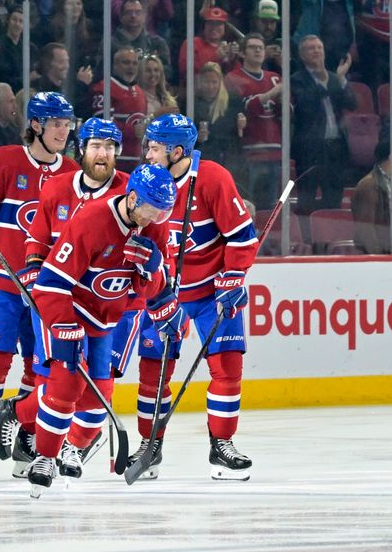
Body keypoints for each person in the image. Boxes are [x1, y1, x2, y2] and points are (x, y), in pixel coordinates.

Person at [0, 163, 179, 498]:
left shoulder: (153, 225)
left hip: (104, 320)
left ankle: (8, 411)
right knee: (65, 388)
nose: (154, 219)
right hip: (67, 310)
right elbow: (50, 284)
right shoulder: (92, 221)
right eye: (150, 210)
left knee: (95, 403)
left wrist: (154, 271)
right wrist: (65, 326)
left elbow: (148, 289)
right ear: (131, 198)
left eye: (161, 212)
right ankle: (45, 456)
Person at [0, 92, 79, 482]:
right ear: (36, 125)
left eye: (67, 123)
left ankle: (25, 436)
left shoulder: (72, 172)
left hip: (47, 293)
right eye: (56, 123)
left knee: (40, 369)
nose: (63, 130)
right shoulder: (3, 160)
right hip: (1, 284)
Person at [128, 113, 259, 482]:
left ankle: (222, 446)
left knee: (227, 368)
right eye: (148, 147)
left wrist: (233, 277)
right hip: (162, 294)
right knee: (153, 371)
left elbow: (242, 236)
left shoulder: (213, 179)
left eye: (155, 148)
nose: (149, 154)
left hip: (210, 292)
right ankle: (149, 446)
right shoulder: (143, 181)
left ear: (179, 151)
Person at [17, 117, 129, 480]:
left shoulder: (129, 191)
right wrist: (35, 269)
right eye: (96, 146)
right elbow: (37, 239)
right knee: (59, 379)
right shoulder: (56, 187)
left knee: (99, 385)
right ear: (81, 149)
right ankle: (37, 440)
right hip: (61, 298)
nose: (103, 154)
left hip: (108, 303)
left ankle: (67, 443)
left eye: (110, 148)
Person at [291, 34, 356, 214]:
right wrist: (327, 81)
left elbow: (352, 103)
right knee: (306, 200)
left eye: (319, 47)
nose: (316, 51)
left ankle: (330, 239)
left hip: (336, 148)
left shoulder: (336, 78)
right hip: (310, 149)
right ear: (302, 55)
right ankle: (306, 241)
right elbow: (306, 103)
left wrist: (341, 79)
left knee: (334, 199)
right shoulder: (296, 79)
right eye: (311, 48)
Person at [224, 32, 283, 210]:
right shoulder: (233, 78)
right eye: (252, 47)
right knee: (247, 208)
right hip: (248, 154)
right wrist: (273, 93)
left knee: (270, 210)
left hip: (275, 152)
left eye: (261, 47)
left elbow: (287, 114)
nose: (258, 50)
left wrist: (281, 103)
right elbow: (245, 108)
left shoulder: (275, 77)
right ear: (242, 53)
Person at [89, 46, 147, 173]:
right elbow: (102, 126)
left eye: (134, 63)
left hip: (137, 164)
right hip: (111, 163)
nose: (131, 67)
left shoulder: (140, 92)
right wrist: (132, 130)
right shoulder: (104, 88)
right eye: (126, 63)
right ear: (115, 65)